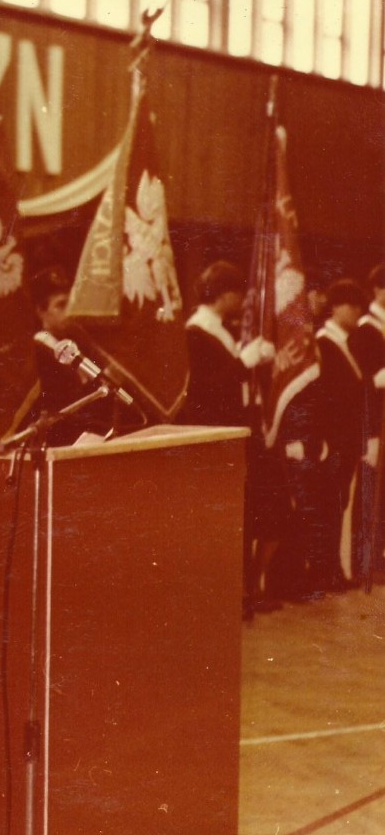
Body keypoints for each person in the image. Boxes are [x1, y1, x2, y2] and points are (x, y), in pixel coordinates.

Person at [180, 261, 278, 617]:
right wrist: (242, 363)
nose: (242, 302)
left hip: (236, 433)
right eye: (238, 294)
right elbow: (205, 390)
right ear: (223, 294)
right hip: (214, 438)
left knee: (249, 513)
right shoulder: (195, 332)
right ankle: (230, 595)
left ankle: (244, 591)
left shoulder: (220, 329)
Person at [314, 278, 367, 591]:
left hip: (345, 441)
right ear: (335, 307)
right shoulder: (324, 343)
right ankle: (326, 571)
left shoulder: (345, 343)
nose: (357, 311)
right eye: (352, 305)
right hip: (332, 441)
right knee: (329, 505)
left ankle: (333, 568)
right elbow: (325, 397)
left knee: (338, 504)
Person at [23, 265, 113, 447]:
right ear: (41, 311)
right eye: (61, 305)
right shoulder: (37, 353)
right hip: (61, 445)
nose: (69, 312)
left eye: (71, 304)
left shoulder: (81, 343)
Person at [348, 263, 385, 581]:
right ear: (377, 290)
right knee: (370, 490)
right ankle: (364, 561)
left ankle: (379, 558)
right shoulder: (365, 329)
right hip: (373, 421)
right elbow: (362, 381)